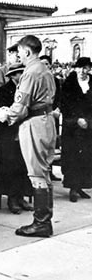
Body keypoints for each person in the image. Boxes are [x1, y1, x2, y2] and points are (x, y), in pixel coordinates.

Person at [0, 35, 56, 238]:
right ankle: (44, 219)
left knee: (37, 173)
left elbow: (20, 107)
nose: (18, 55)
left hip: (34, 124)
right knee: (45, 171)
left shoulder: (30, 72)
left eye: (19, 52)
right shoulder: (45, 69)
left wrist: (5, 115)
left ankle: (41, 223)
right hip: (47, 121)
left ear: (27, 52)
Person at [0, 63, 33, 214]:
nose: (23, 76)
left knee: (23, 164)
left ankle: (21, 196)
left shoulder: (26, 90)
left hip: (24, 130)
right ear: (13, 76)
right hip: (9, 132)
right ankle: (12, 198)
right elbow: (6, 111)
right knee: (10, 165)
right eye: (20, 73)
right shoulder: (4, 90)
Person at [60, 57, 92, 202]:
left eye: (86, 68)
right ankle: (73, 187)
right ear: (76, 68)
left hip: (88, 126)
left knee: (86, 156)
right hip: (72, 126)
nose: (83, 71)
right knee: (73, 156)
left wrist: (88, 121)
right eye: (81, 68)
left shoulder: (91, 82)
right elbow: (64, 104)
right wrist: (77, 120)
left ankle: (81, 186)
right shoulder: (69, 83)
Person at [39, 55, 62, 181]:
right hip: (41, 116)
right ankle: (42, 172)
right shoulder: (37, 80)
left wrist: (57, 109)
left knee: (52, 145)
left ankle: (50, 170)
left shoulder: (55, 80)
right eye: (42, 64)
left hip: (53, 115)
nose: (45, 66)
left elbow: (59, 97)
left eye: (47, 64)